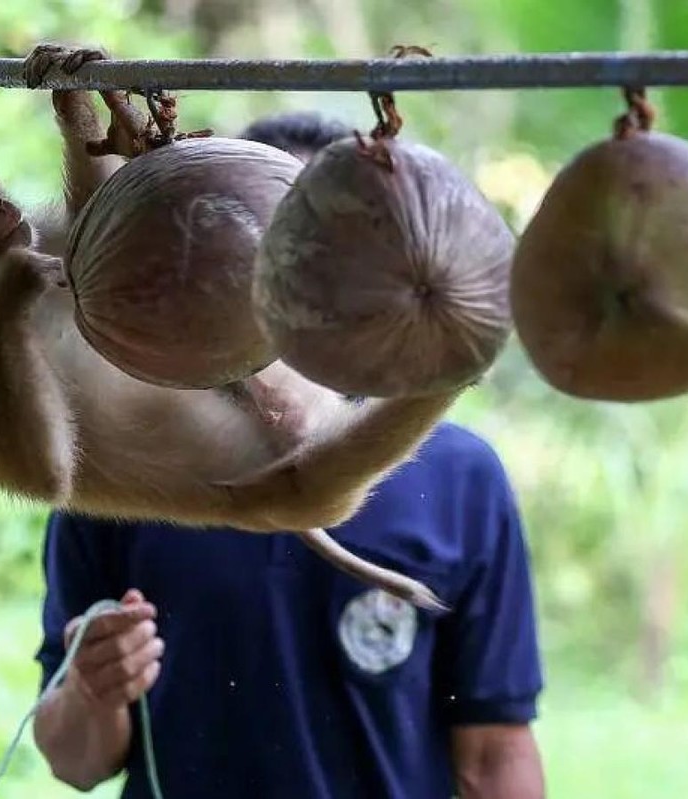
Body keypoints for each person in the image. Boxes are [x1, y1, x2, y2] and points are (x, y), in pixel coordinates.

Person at [29, 113, 547, 799]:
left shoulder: (458, 476)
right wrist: (93, 690)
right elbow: (77, 761)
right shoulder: (128, 459)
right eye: (253, 242)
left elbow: (493, 750)